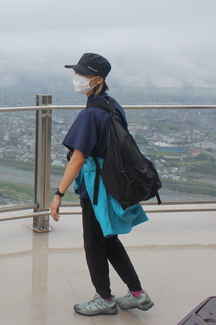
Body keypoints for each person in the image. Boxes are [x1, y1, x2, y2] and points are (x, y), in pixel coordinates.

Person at [49, 53, 153, 316]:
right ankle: (137, 293)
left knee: (94, 244)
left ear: (96, 80)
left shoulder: (91, 114)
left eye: (81, 75)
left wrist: (58, 193)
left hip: (96, 189)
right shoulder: (112, 105)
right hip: (113, 184)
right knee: (109, 240)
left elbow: (77, 159)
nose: (77, 79)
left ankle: (105, 298)